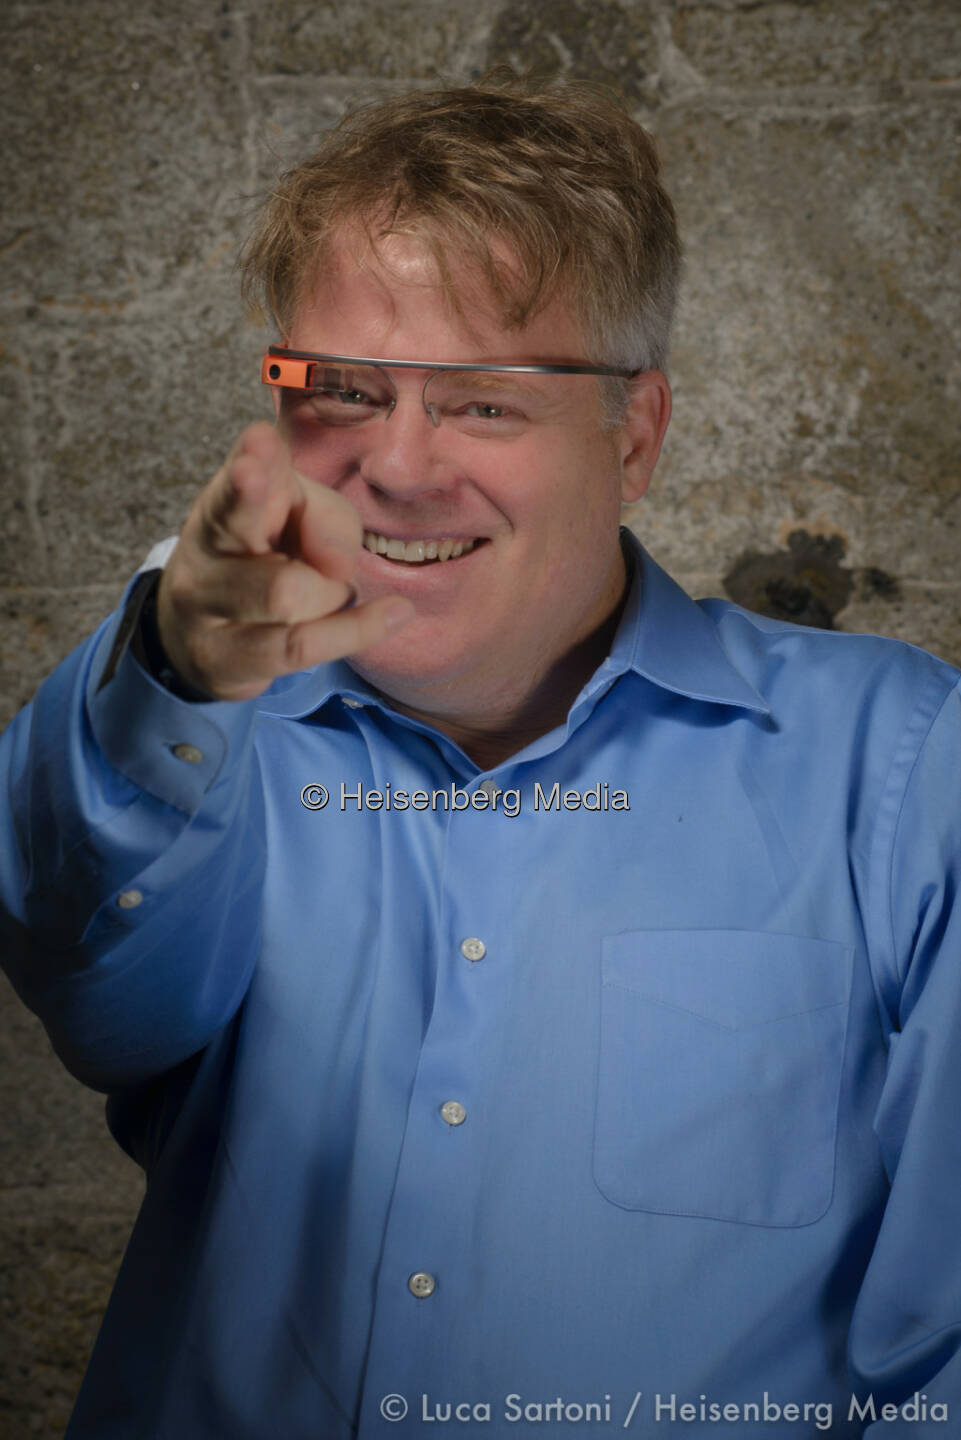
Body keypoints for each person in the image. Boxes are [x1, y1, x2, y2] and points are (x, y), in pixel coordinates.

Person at [2, 76, 959, 1440]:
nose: (396, 467)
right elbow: (90, 987)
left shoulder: (904, 768)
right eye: (343, 393)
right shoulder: (186, 730)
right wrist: (175, 665)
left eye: (484, 404)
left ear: (633, 438)